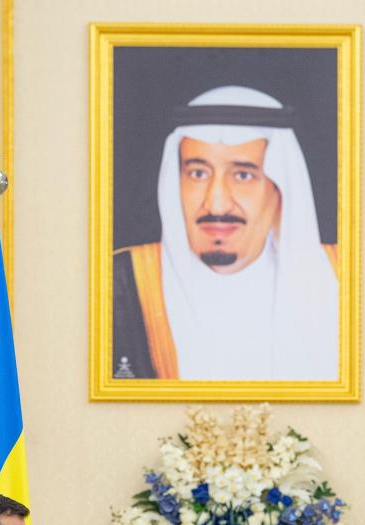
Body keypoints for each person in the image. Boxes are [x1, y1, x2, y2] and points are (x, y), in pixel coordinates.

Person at [112, 84, 339, 381]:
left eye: (243, 175)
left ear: (280, 188)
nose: (216, 202)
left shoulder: (342, 279)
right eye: (198, 174)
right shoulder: (119, 283)